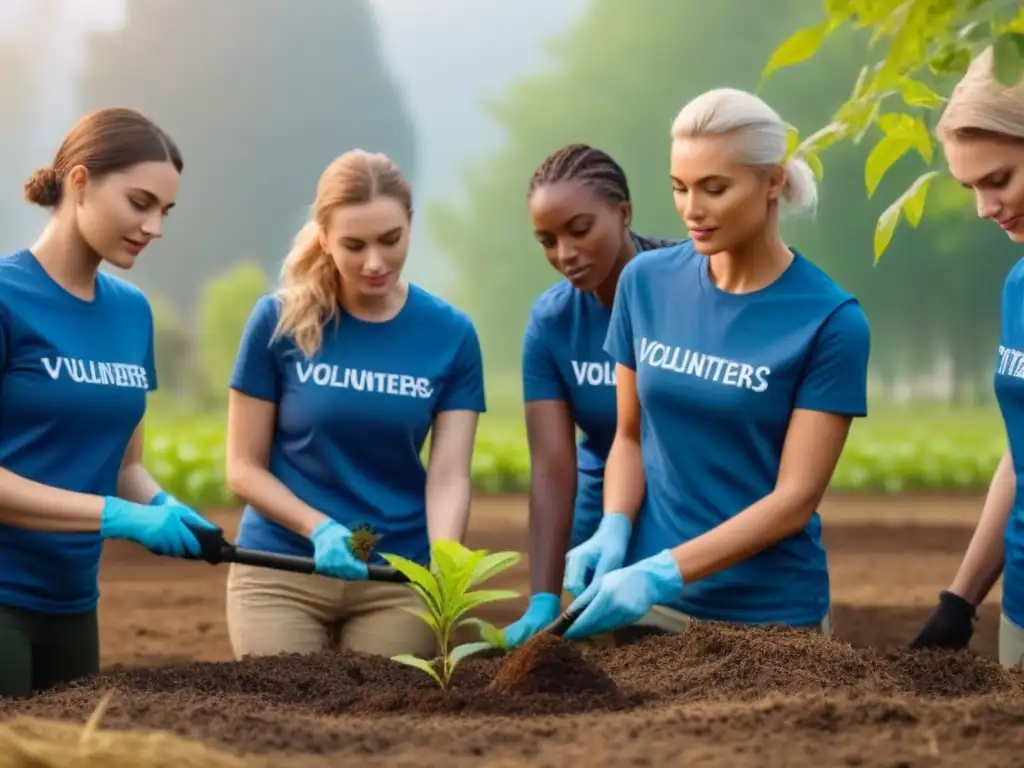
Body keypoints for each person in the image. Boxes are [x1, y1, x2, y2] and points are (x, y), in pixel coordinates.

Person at [556, 87, 872, 641]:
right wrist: (614, 524)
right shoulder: (645, 282)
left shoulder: (830, 321)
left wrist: (663, 571)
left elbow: (794, 500)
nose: (692, 210)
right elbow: (628, 436)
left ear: (772, 181)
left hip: (769, 620)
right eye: (679, 188)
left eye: (714, 188)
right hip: (646, 608)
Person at [224, 149, 486, 661]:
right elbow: (242, 467)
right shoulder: (277, 322)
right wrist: (317, 527)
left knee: (383, 720)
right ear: (323, 236)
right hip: (283, 570)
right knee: (282, 713)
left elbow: (449, 474)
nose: (374, 262)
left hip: (396, 577)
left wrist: (446, 562)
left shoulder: (450, 335)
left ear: (410, 225)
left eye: (391, 240)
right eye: (353, 244)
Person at [0, 107, 221, 697]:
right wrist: (117, 518)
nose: (155, 227)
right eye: (140, 203)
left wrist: (163, 505)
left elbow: (124, 466)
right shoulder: (5, 297)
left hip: (74, 600)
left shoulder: (131, 312)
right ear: (79, 181)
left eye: (165, 211)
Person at [501, 144, 679, 649]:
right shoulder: (553, 321)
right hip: (598, 510)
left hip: (685, 497)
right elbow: (553, 467)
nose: (564, 254)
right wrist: (542, 595)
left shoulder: (687, 285)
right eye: (547, 240)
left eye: (580, 231)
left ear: (623, 214)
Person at [909, 48, 1024, 669]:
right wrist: (961, 599)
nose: (985, 207)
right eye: (970, 187)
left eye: (999, 179)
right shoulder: (1019, 286)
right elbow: (1023, 448)